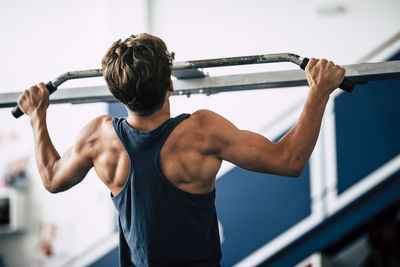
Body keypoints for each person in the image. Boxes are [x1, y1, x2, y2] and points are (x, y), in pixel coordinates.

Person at [17, 33, 346, 267]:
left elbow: (51, 178)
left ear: (119, 97)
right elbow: (289, 161)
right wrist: (319, 91)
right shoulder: (201, 132)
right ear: (170, 84)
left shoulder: (98, 139)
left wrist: (36, 115)